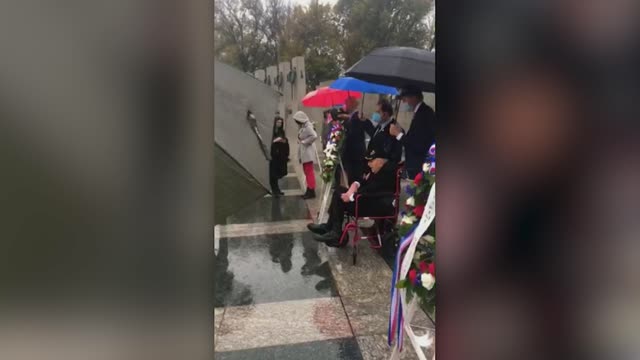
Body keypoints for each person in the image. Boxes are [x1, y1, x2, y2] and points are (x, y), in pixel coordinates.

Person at [307, 142, 398, 247]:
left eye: (372, 161)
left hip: (373, 204)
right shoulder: (378, 169)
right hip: (366, 199)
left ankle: (336, 233)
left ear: (381, 161)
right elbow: (364, 182)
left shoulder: (386, 173)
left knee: (340, 197)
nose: (369, 164)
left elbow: (372, 190)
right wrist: (355, 185)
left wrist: (352, 196)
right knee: (338, 190)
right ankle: (329, 227)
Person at [389, 85, 436, 179]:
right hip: (415, 163)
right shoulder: (420, 112)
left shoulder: (424, 113)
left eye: (405, 98)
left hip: (419, 165)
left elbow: (417, 143)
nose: (403, 101)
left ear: (414, 97)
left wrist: (398, 134)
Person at [362, 99, 402, 164]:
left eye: (378, 112)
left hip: (383, 170)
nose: (375, 114)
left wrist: (383, 162)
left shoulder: (394, 129)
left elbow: (395, 156)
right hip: (371, 167)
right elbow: (374, 135)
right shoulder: (380, 125)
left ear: (385, 114)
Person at [340, 96, 368, 184]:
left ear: (351, 104)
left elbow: (352, 135)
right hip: (351, 156)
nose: (345, 106)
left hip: (355, 156)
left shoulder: (357, 117)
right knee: (351, 179)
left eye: (346, 103)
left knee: (355, 179)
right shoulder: (351, 118)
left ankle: (355, 196)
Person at [294, 110, 318, 199]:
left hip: (308, 153)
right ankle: (309, 189)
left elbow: (314, 136)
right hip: (305, 152)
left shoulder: (308, 126)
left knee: (309, 172)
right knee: (307, 172)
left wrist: (304, 142)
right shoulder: (304, 126)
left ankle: (311, 190)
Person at [269, 115, 289, 196]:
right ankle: (274, 190)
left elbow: (284, 140)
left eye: (281, 122)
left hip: (280, 155)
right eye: (278, 122)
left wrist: (283, 141)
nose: (279, 124)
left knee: (277, 173)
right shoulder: (272, 131)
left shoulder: (281, 131)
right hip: (273, 154)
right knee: (273, 173)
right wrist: (275, 141)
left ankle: (277, 189)